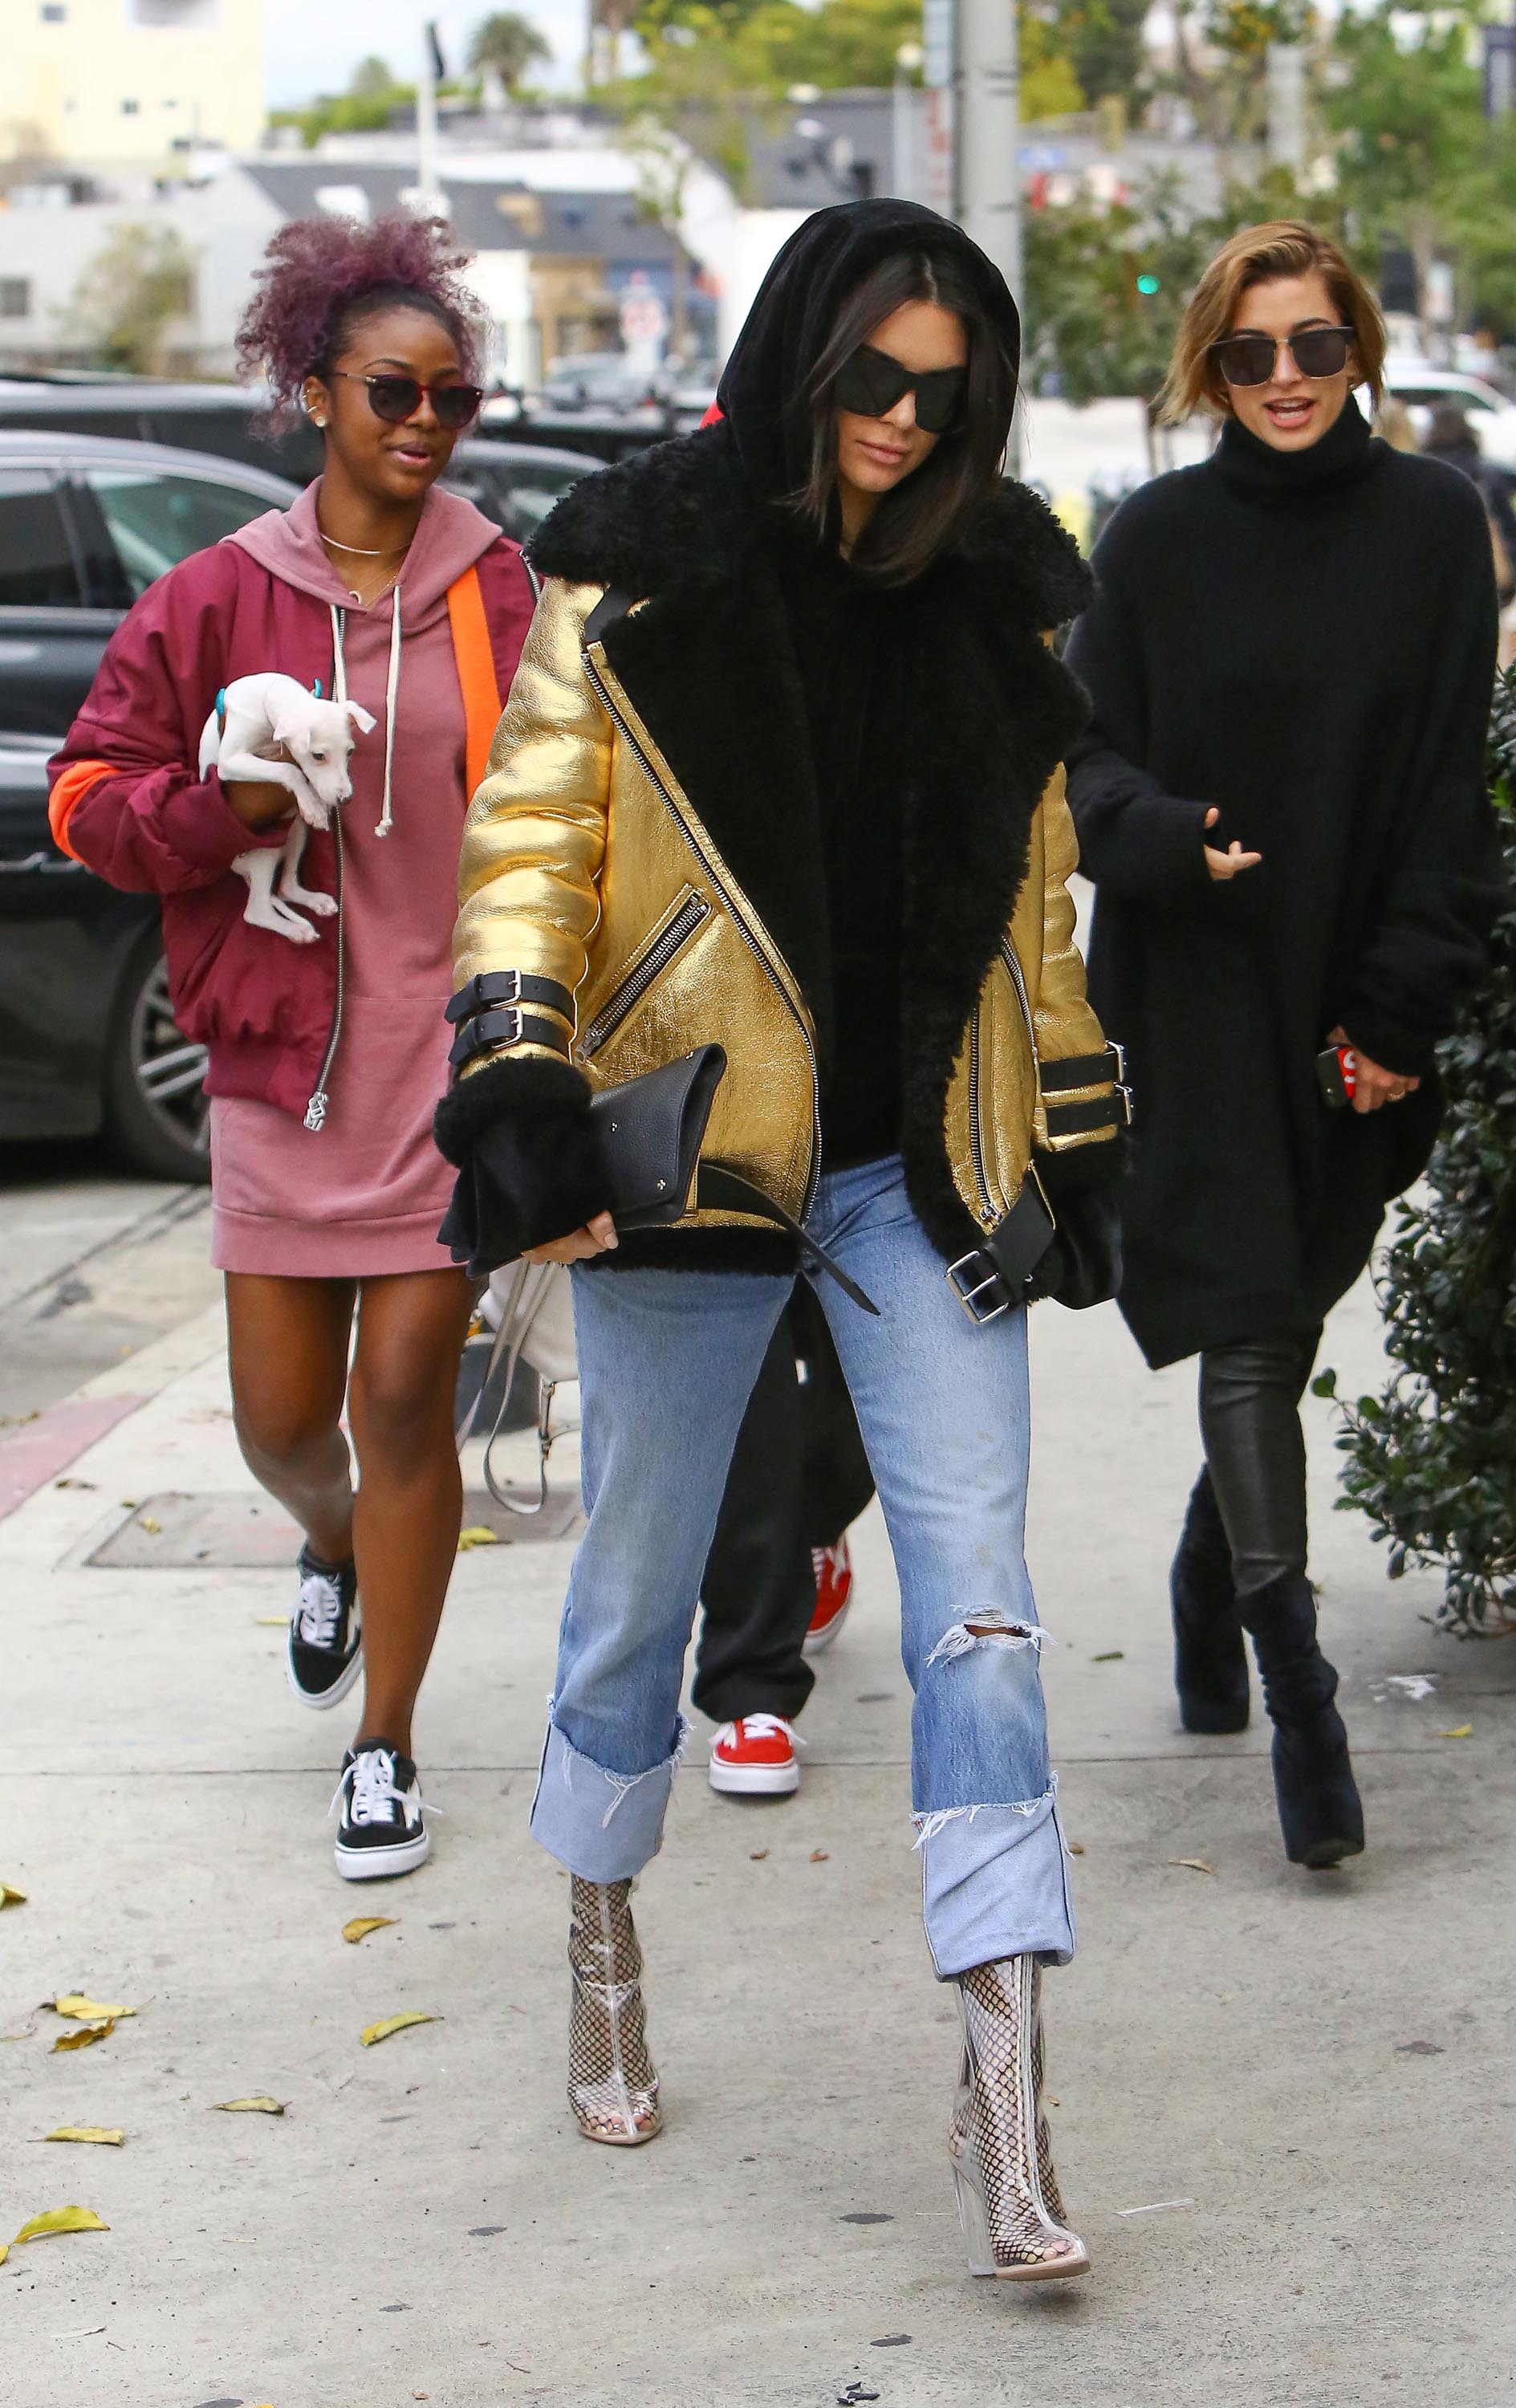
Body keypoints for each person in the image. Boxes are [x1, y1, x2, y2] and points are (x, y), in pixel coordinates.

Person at [434, 197, 1125, 2281]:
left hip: (913, 1169)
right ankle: (601, 1919)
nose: (908, 423)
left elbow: (1040, 899)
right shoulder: (639, 561)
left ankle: (1005, 2086)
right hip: (695, 1154)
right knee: (639, 1593)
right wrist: (522, 1075)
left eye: (948, 392)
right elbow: (535, 841)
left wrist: (1073, 1119)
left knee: (983, 1603)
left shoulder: (998, 598)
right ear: (803, 353)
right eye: (875, 380)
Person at [49, 212, 534, 1881]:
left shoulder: (494, 588)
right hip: (282, 1066)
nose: (423, 418)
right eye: (392, 387)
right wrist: (225, 808)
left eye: (452, 396)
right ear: (313, 387)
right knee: (280, 1423)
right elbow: (85, 801)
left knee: (406, 1398)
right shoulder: (211, 595)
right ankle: (326, 1543)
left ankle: (384, 1743)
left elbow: (561, 809)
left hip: (445, 1061)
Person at [1063, 221, 1503, 1871]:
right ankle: (1298, 1696)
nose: (1287, 379)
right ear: (1207, 366)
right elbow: (1081, 770)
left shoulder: (1431, 525)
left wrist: (1399, 1010)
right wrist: (1170, 838)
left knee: (1288, 1299)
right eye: (1251, 354)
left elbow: (1450, 788)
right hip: (1190, 994)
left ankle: (1205, 1567)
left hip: (1347, 994)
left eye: (1315, 345)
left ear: (1360, 348)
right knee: (1250, 1332)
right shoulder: (1154, 541)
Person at [697, 1281, 874, 1798]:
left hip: (871, 1199)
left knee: (882, 1356)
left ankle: (817, 1517)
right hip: (730, 1206)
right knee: (746, 1364)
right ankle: (752, 1684)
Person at [1421, 402, 1516, 608]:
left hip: (1431, 588)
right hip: (1483, 581)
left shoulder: (1418, 474)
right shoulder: (1486, 476)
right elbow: (1513, 532)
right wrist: (1511, 584)